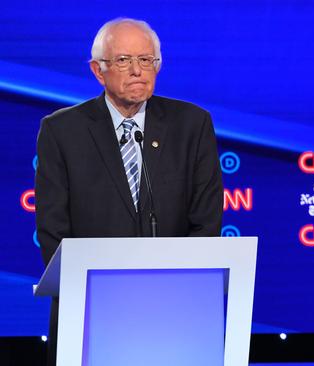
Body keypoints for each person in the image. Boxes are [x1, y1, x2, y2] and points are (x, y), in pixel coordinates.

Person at [35, 18, 223, 365]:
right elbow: (53, 231)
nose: (138, 70)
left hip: (176, 313)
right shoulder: (62, 131)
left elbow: (207, 222)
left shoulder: (192, 125)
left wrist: (177, 289)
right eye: (124, 60)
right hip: (92, 314)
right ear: (98, 70)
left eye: (147, 60)